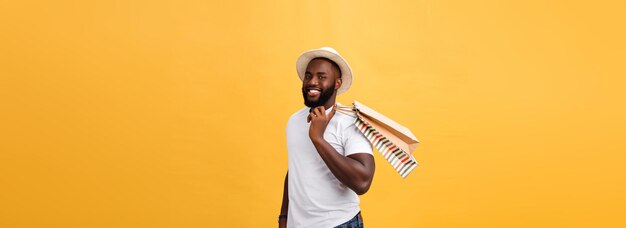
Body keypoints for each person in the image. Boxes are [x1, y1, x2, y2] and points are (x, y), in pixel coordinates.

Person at [279, 47, 375, 228]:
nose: (312, 82)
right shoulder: (294, 121)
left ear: (337, 83)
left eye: (321, 77)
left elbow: (363, 182)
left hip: (338, 224)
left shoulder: (349, 122)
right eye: (308, 76)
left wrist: (318, 139)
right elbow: (296, 168)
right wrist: (284, 217)